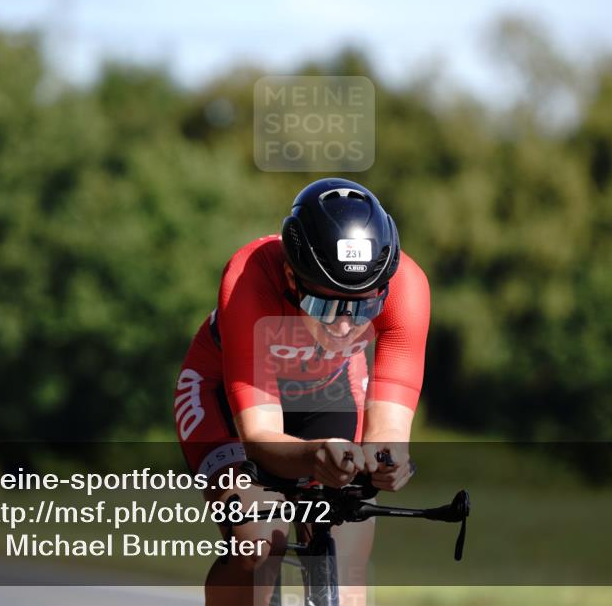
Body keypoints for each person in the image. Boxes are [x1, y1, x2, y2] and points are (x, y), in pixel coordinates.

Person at [173, 178, 430, 605]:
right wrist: (314, 455)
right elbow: (258, 437)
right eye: (325, 306)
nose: (345, 326)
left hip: (328, 393)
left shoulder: (408, 288)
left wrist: (389, 459)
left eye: (363, 306)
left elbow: (389, 422)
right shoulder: (250, 276)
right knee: (257, 543)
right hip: (223, 395)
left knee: (346, 579)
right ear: (292, 277)